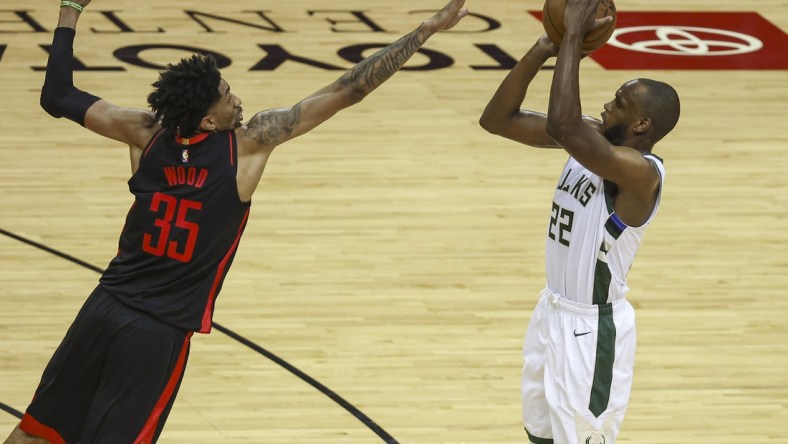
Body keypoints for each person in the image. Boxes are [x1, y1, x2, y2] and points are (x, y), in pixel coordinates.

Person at [4, 0, 469, 442]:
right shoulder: (245, 148)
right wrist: (425, 31)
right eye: (228, 97)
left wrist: (72, 9)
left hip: (103, 308)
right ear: (208, 122)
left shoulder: (143, 132)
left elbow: (57, 94)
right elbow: (348, 89)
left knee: (35, 431)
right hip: (156, 333)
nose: (238, 101)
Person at [479, 0, 680, 442]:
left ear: (642, 124)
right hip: (552, 311)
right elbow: (496, 120)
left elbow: (563, 125)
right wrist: (543, 46)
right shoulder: (590, 137)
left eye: (620, 103)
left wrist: (572, 36)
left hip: (592, 331)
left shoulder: (639, 173)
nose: (607, 105)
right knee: (541, 435)